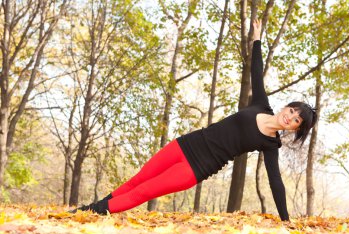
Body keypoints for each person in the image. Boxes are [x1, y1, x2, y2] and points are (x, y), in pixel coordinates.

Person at [69, 19, 317, 221]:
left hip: (198, 167)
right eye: (293, 111)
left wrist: (286, 220)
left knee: (144, 191)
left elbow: (276, 182)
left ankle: (87, 214)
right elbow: (256, 71)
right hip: (188, 143)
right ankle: (89, 210)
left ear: (295, 129)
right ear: (287, 106)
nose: (291, 117)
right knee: (137, 180)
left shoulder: (271, 144)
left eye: (296, 121)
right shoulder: (261, 104)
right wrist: (256, 40)